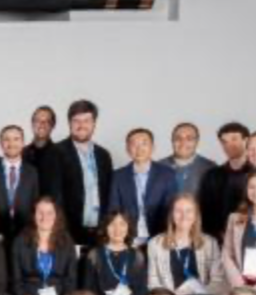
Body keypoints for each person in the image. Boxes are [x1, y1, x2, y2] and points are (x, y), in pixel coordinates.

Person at [147, 194, 228, 295]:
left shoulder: (210, 242)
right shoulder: (155, 244)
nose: (184, 215)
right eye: (178, 210)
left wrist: (199, 293)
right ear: (171, 215)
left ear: (196, 215)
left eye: (189, 211)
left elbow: (219, 281)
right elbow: (153, 281)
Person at [50, 100, 114, 248]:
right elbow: (55, 196)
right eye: (76, 121)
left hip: (100, 232)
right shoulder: (55, 152)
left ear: (94, 123)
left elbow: (108, 194)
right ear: (69, 123)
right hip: (68, 232)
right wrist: (61, 231)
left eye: (86, 120)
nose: (81, 125)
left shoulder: (103, 155)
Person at [11, 197, 78, 295]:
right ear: (33, 215)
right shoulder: (20, 241)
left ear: (56, 215)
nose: (44, 217)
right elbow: (15, 280)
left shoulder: (66, 241)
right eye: (40, 212)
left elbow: (71, 278)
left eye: (49, 213)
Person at [82, 211, 148, 295]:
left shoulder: (137, 256)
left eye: (122, 224)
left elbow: (142, 288)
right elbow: (87, 288)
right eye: (112, 224)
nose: (117, 229)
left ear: (128, 227)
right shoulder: (94, 255)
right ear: (105, 228)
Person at [108, 128, 178, 244]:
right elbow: (113, 209)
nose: (139, 149)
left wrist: (168, 236)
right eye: (134, 144)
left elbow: (171, 208)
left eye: (144, 143)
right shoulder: (117, 176)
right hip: (127, 237)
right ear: (127, 149)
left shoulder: (167, 174)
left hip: (160, 236)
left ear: (152, 147)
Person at [0, 124, 40, 247]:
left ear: (23, 142)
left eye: (16, 139)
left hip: (25, 237)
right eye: (6, 139)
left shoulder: (32, 172)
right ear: (1, 143)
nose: (11, 144)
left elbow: (35, 204)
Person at [199, 122, 251, 241]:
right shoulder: (211, 175)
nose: (229, 145)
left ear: (246, 140)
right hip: (217, 240)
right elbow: (205, 211)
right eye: (224, 141)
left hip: (251, 239)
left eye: (234, 139)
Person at [160, 122, 216, 199]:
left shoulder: (210, 169)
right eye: (178, 138)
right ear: (172, 141)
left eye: (189, 138)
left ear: (197, 141)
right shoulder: (159, 167)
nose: (183, 143)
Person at [22, 106, 59, 194]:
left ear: (52, 125)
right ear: (32, 124)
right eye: (38, 120)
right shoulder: (21, 154)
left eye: (47, 121)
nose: (42, 124)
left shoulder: (61, 155)